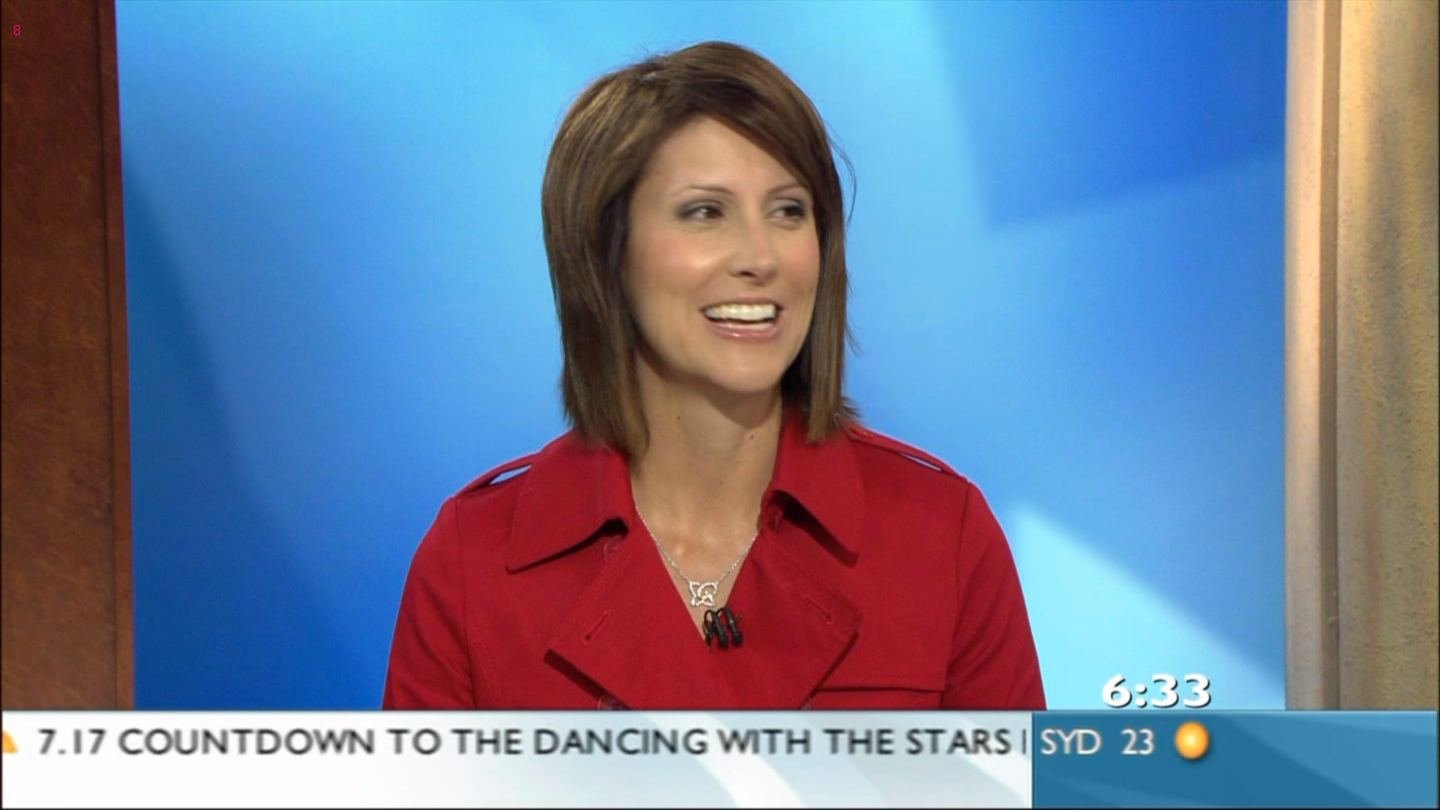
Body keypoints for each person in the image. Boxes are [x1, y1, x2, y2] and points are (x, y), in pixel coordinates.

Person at [383, 41, 1045, 710]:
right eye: (705, 212)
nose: (760, 257)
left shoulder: (942, 536)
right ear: (607, 251)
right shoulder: (473, 561)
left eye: (788, 211)